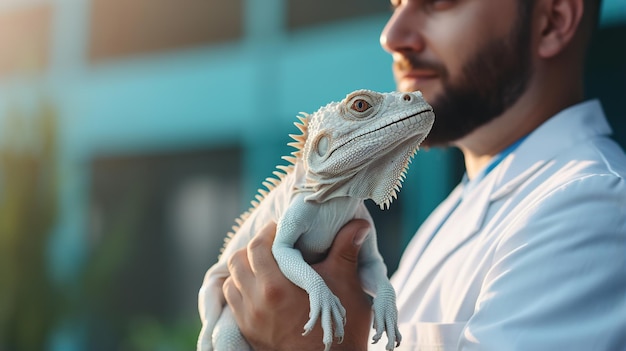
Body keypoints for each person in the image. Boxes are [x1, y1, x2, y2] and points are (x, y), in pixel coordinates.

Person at [220, 0, 626, 349]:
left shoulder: (591, 207)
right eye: (397, 3)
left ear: (552, 20)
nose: (392, 35)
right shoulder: (459, 205)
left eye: (438, 2)